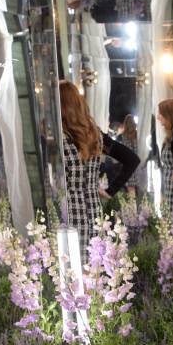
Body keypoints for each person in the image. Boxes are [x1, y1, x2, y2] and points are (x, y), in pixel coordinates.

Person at [59, 81, 140, 260]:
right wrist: (110, 191)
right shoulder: (94, 134)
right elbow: (131, 159)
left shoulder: (61, 138)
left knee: (74, 273)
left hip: (71, 215)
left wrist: (111, 190)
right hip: (95, 213)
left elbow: (132, 160)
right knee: (94, 272)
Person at [117, 114, 140, 195]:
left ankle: (131, 207)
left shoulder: (122, 136)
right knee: (135, 191)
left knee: (129, 191)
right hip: (137, 166)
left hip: (127, 165)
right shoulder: (138, 136)